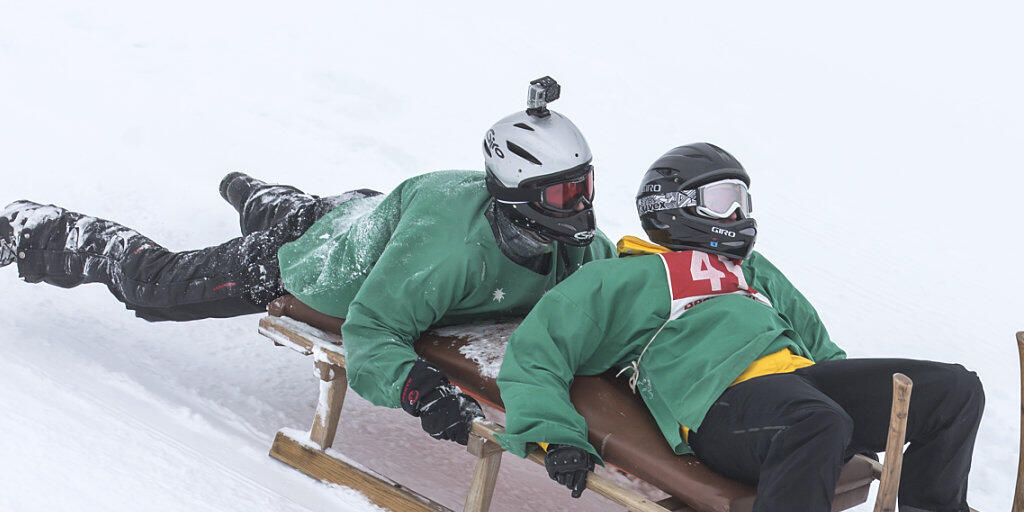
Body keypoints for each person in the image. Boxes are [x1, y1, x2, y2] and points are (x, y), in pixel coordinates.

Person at [0, 77, 617, 447]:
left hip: (365, 216)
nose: (582, 204)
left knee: (316, 212)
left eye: (584, 184)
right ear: (514, 189)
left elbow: (613, 281)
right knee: (154, 289)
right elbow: (372, 332)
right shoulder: (448, 255)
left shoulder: (573, 242)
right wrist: (419, 389)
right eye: (563, 193)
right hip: (317, 261)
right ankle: (34, 229)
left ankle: (262, 198)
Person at [494, 143, 984, 511]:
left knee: (952, 390)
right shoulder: (624, 276)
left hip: (799, 389)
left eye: (743, 202)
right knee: (817, 420)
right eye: (724, 199)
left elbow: (821, 348)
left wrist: (858, 409)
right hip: (720, 405)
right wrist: (555, 435)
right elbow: (537, 352)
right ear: (672, 205)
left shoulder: (753, 271)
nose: (738, 216)